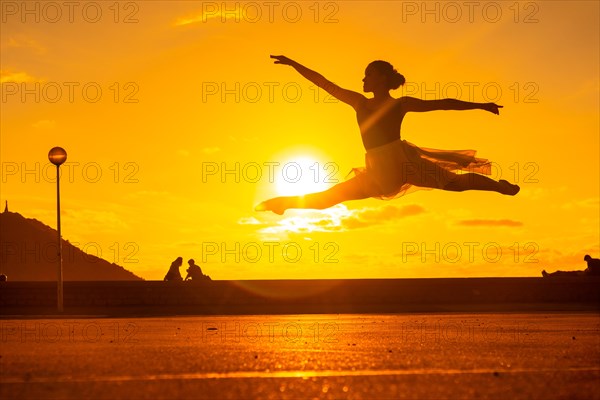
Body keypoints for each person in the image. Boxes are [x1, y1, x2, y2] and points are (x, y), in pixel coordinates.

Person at [256, 56, 519, 215]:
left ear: (381, 78)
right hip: (377, 169)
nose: (363, 80)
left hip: (403, 161)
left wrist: (481, 105)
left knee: (455, 184)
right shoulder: (359, 102)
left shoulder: (400, 104)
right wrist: (294, 65)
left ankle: (501, 187)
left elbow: (443, 102)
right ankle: (284, 204)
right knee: (330, 198)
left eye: (368, 74)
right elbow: (324, 83)